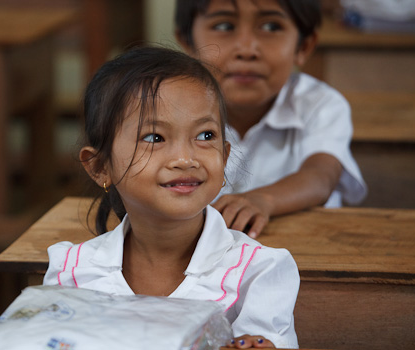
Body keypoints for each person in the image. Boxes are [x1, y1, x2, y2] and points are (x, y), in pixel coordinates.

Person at [43, 46, 300, 349]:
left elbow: (267, 340)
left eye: (205, 136)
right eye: (154, 138)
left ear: (225, 154)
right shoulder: (72, 271)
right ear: (100, 167)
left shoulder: (257, 270)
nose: (185, 158)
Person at [175, 0, 367, 238]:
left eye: (271, 27)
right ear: (187, 43)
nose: (246, 49)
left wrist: (263, 200)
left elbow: (321, 176)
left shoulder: (320, 104)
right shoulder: (172, 109)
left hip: (305, 251)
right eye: (224, 26)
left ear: (304, 47)